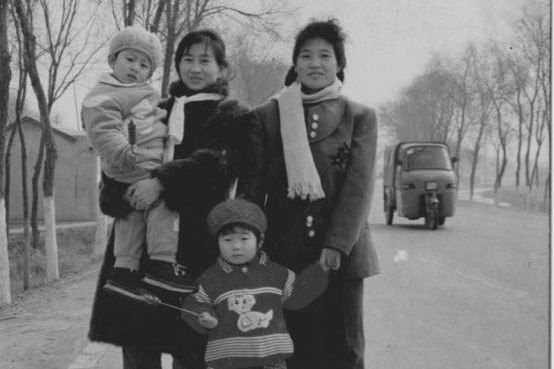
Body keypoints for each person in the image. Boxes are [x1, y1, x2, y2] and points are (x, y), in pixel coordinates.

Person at [88, 29, 264, 369]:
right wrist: (120, 192)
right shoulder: (151, 106)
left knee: (192, 350)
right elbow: (115, 160)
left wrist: (162, 182)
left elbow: (219, 163)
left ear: (222, 68)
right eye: (187, 59)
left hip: (198, 247)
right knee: (138, 347)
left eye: (204, 60)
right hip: (137, 248)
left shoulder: (234, 115)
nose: (195, 68)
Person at [253, 19, 380, 369]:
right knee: (289, 349)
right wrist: (248, 246)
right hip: (282, 254)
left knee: (343, 350)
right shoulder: (268, 115)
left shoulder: (360, 117)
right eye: (306, 55)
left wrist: (336, 245)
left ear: (339, 64)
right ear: (295, 64)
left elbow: (359, 188)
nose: (315, 63)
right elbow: (254, 187)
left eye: (325, 55)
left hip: (339, 257)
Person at [81, 25, 195, 297]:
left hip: (143, 166)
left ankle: (124, 270)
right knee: (164, 205)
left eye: (144, 64)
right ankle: (163, 263)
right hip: (130, 162)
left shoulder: (147, 93)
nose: (135, 67)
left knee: (130, 217)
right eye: (129, 59)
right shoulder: (103, 95)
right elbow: (103, 131)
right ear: (113, 60)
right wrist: (121, 151)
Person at [181, 198, 328, 369]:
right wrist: (203, 317)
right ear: (217, 242)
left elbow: (296, 298)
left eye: (244, 239)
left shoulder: (276, 273)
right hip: (226, 363)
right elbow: (193, 304)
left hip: (271, 363)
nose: (236, 246)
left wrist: (319, 272)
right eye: (227, 240)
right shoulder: (210, 278)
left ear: (260, 241)